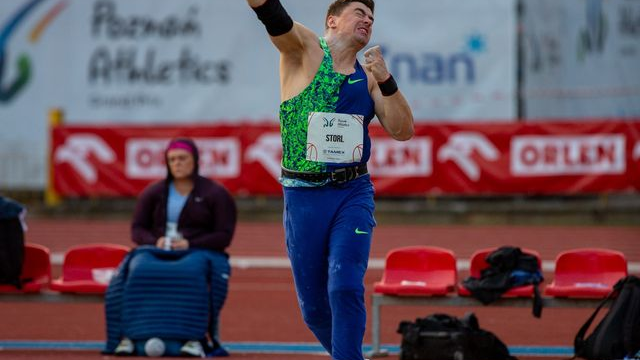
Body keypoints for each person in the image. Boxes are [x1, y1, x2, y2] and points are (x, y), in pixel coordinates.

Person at [246, 1, 414, 359]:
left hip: (352, 193)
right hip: (303, 198)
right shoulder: (305, 49)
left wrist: (385, 78)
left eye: (372, 17)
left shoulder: (367, 75)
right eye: (360, 13)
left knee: (344, 286)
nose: (367, 20)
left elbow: (403, 130)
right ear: (332, 20)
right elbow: (273, 16)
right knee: (315, 311)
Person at [108, 137, 237, 357]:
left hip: (197, 252)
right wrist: (154, 241)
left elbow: (224, 235)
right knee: (138, 268)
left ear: (195, 160)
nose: (177, 163)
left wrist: (191, 243)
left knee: (191, 271)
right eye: (172, 159)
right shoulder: (153, 192)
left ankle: (193, 338)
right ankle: (129, 336)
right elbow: (137, 229)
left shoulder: (215, 193)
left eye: (182, 158)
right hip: (156, 250)